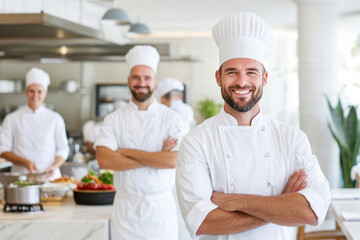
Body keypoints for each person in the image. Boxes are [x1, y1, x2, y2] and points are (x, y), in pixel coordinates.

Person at [175, 12, 331, 240]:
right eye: (231, 72)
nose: (241, 81)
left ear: (264, 78)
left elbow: (312, 211)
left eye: (251, 72)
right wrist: (280, 204)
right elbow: (203, 222)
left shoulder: (291, 138)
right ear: (218, 78)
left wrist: (237, 201)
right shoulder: (197, 141)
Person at [95, 45, 187, 240]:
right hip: (125, 210)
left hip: (160, 211)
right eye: (136, 77)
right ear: (129, 81)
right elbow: (105, 160)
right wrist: (156, 157)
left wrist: (124, 151)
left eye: (147, 78)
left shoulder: (172, 118)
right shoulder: (114, 119)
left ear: (154, 81)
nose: (141, 83)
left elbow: (172, 161)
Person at [0, 68, 69, 180]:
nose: (35, 95)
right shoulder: (11, 118)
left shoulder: (55, 118)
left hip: (50, 178)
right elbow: (3, 151)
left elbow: (63, 150)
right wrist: (25, 162)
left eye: (39, 91)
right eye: (31, 91)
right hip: (21, 178)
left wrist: (54, 166)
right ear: (26, 92)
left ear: (45, 93)